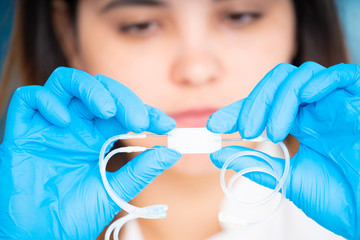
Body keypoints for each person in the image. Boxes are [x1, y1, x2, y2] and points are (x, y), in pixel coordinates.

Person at [0, 0, 358, 239]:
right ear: (68, 35)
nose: (196, 69)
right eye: (140, 25)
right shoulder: (21, 213)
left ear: (299, 22)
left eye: (240, 15)